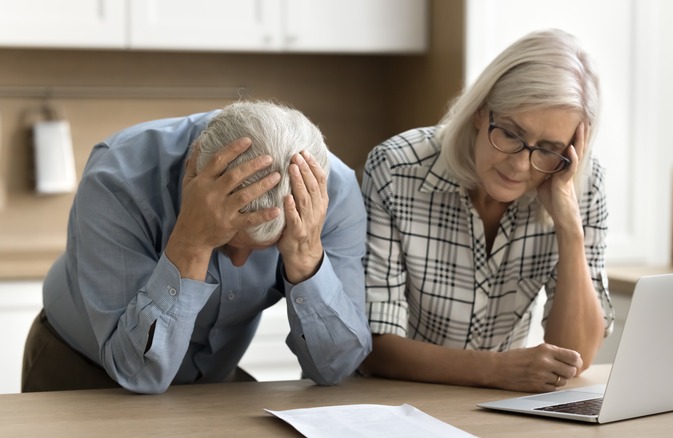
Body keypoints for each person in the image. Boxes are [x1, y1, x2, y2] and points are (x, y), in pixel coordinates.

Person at [22, 100, 371, 394]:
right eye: (229, 244)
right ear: (193, 169)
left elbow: (335, 369)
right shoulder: (118, 179)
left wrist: (306, 255)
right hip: (82, 366)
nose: (239, 263)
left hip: (211, 381)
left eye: (266, 249)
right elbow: (138, 372)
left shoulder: (331, 193)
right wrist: (193, 241)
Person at [359, 29, 614, 393]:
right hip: (399, 401)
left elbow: (574, 356)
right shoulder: (396, 169)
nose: (521, 166)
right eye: (510, 134)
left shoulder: (580, 185)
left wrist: (570, 230)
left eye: (547, 149)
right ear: (481, 110)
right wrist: (494, 369)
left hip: (501, 411)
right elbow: (373, 347)